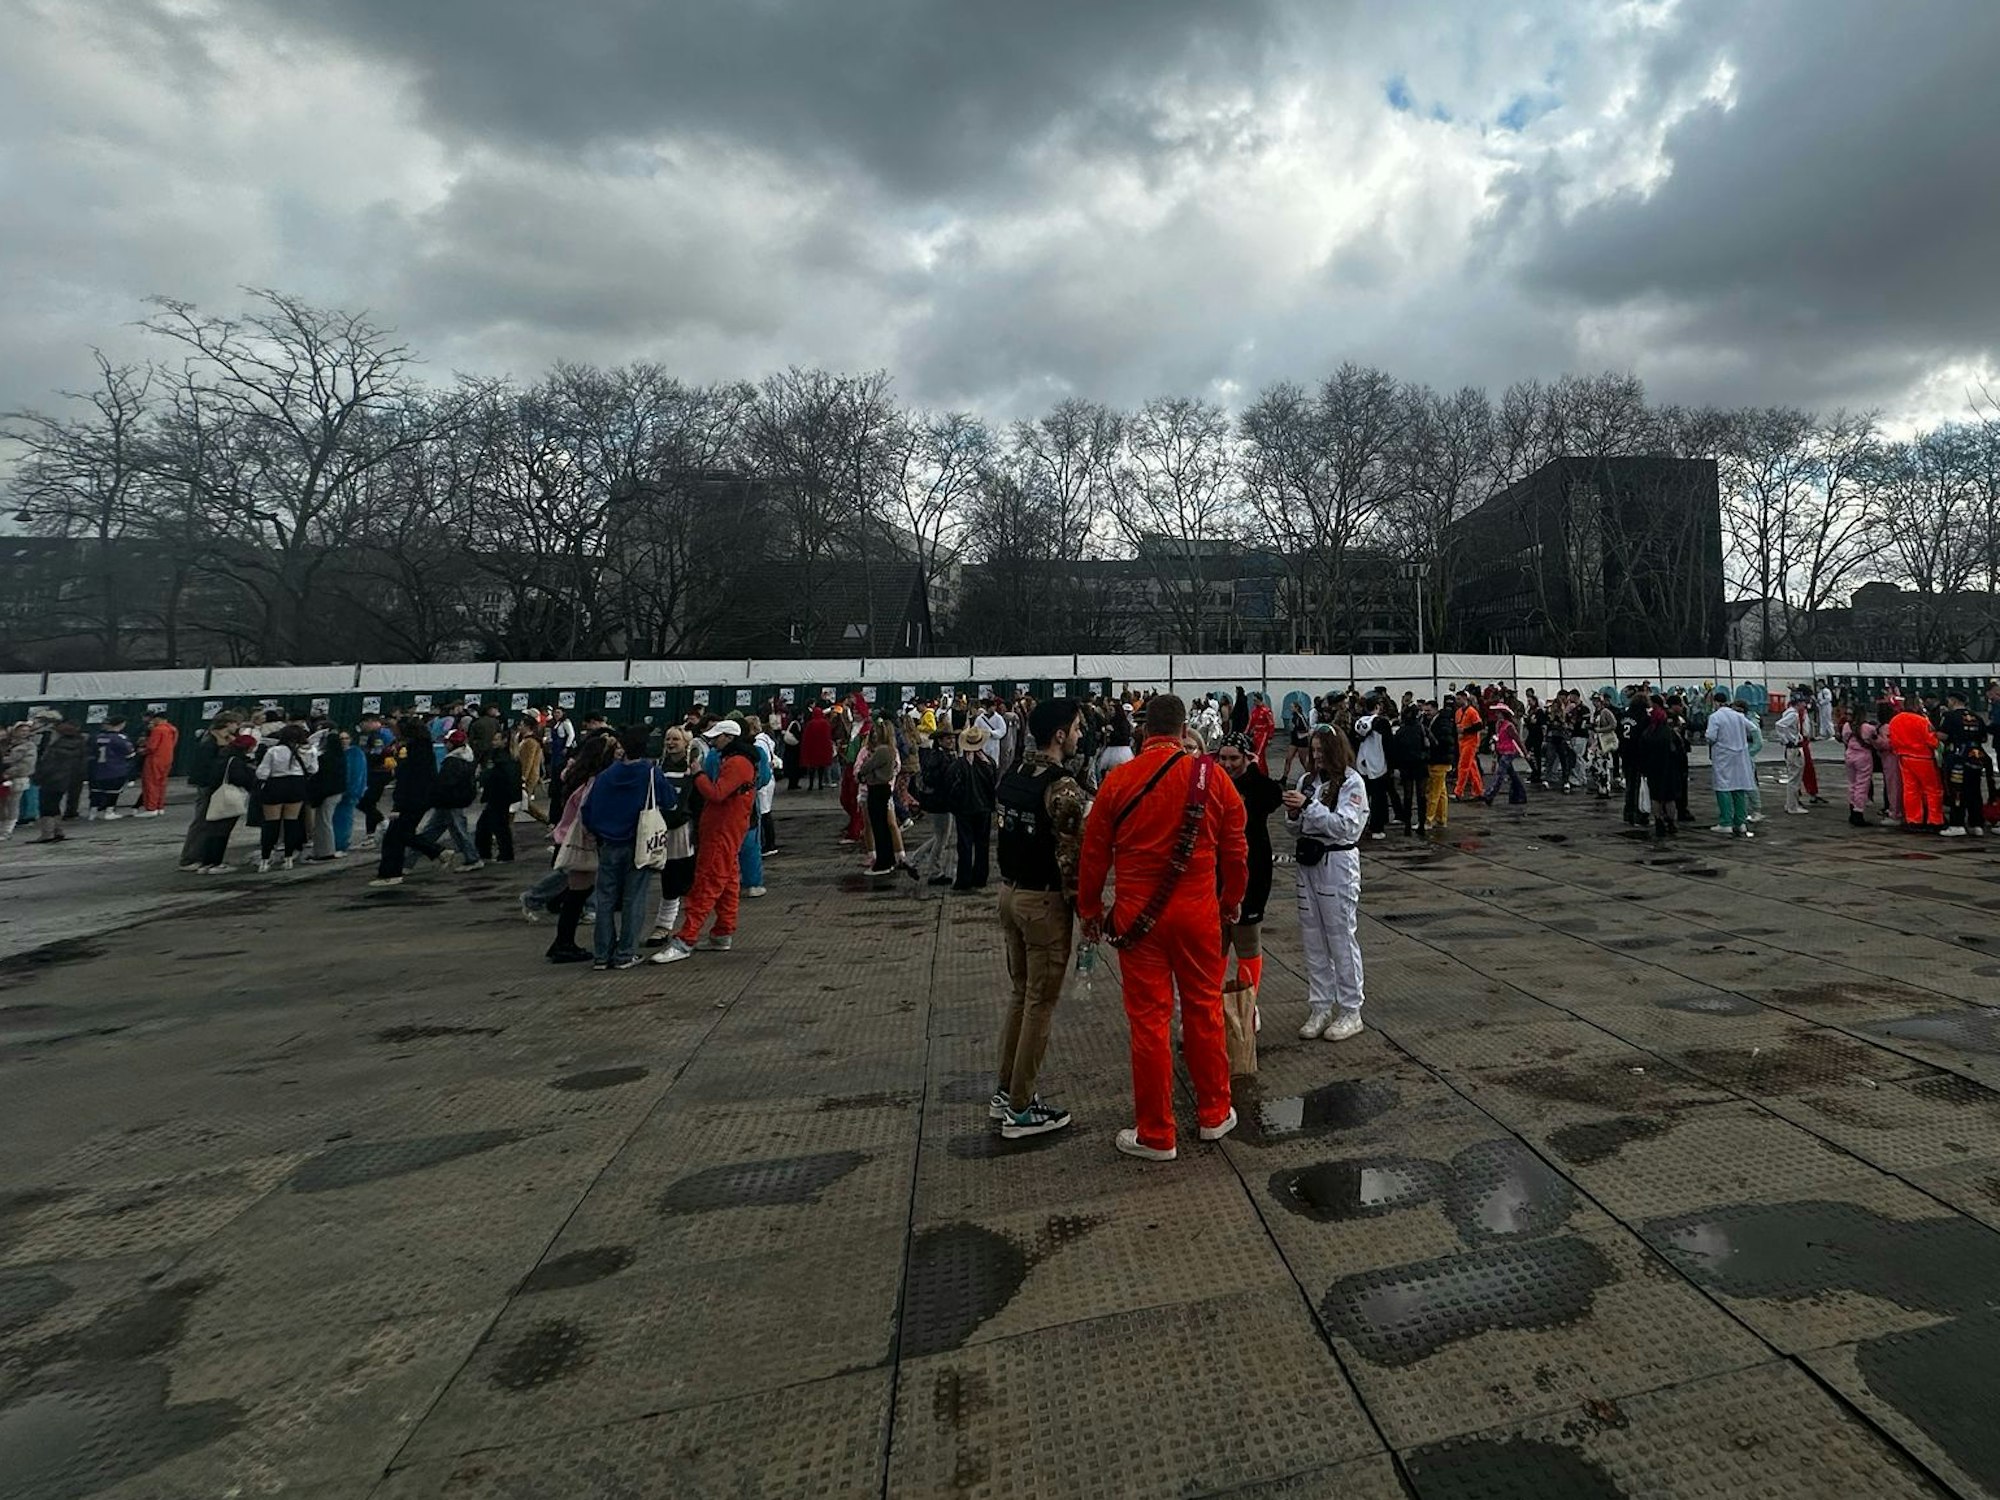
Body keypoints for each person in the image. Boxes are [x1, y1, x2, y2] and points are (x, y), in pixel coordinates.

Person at [1077, 694, 1246, 1162]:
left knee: (1149, 1022)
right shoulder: (1213, 779)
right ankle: (1214, 1112)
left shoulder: (1117, 781)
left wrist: (1090, 910)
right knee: (1203, 1009)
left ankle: (1156, 1133)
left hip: (1138, 917)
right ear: (1182, 728)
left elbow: (1093, 856)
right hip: (1198, 914)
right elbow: (1236, 850)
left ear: (1144, 730)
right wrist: (1230, 901)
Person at [990, 699, 1089, 1140]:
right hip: (1043, 902)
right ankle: (1021, 1107)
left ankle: (1005, 1090)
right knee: (1040, 1004)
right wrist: (1086, 909)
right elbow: (1072, 854)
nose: (1082, 735)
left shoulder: (1013, 773)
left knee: (1019, 995)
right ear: (1060, 735)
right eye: (1077, 728)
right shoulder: (1061, 786)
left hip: (1010, 893)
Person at [1284, 724, 1368, 1040]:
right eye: (1313, 749)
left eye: (1321, 750)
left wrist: (1308, 807)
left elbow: (1345, 826)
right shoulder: (1307, 781)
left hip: (1338, 864)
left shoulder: (1351, 782)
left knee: (1340, 938)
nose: (1316, 755)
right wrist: (1293, 815)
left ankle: (1351, 1010)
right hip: (1309, 864)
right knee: (1313, 938)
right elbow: (1296, 828)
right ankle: (1320, 1006)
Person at [655, 720, 757, 963]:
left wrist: (698, 773)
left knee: (707, 883)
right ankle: (722, 932)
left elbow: (716, 794)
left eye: (717, 737)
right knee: (728, 881)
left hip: (720, 831)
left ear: (729, 738)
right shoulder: (741, 761)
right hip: (728, 829)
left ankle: (685, 939)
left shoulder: (735, 763)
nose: (713, 741)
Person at [580, 727, 677, 970]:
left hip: (609, 845)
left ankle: (602, 955)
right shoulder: (651, 773)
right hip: (639, 845)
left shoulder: (605, 775)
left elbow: (588, 809)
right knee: (634, 899)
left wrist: (598, 832)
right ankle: (625, 953)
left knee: (605, 900)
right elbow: (670, 801)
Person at [1216, 731, 1282, 1009]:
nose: (1228, 764)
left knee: (1247, 940)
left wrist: (1254, 768)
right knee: (1215, 944)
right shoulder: (1212, 783)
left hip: (1253, 870)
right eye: (1223, 758)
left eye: (1234, 758)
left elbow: (1273, 795)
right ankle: (1211, 1002)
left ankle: (1247, 1003)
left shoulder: (1257, 786)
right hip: (1215, 873)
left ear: (1246, 757)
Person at [370, 720, 444, 886]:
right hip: (420, 799)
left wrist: (398, 805)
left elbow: (407, 779)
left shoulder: (412, 751)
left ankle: (391, 873)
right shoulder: (423, 749)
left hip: (411, 800)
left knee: (394, 836)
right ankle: (436, 851)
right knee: (402, 834)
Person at [646, 726, 699, 944]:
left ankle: (668, 925)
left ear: (686, 743)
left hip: (681, 832)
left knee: (678, 878)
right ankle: (663, 925)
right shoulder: (656, 767)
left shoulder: (693, 769)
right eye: (668, 739)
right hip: (658, 828)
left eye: (675, 739)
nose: (670, 742)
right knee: (664, 876)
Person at [188, 732, 261, 872]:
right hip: (229, 797)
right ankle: (216, 863)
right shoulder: (236, 761)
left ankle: (206, 863)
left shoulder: (222, 757)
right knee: (222, 832)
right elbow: (241, 779)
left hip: (215, 794)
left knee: (212, 830)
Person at [253, 723, 316, 872]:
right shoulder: (309, 751)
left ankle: (265, 860)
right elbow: (314, 769)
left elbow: (262, 773)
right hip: (296, 785)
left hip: (275, 785)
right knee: (291, 822)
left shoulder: (273, 751)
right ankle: (288, 859)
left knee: (271, 824)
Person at [417, 731, 483, 869]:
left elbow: (445, 783)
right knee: (432, 831)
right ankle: (406, 862)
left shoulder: (453, 761)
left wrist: (432, 797)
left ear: (452, 744)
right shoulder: (468, 757)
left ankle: (473, 859)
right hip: (455, 801)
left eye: (447, 741)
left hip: (449, 801)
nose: (445, 744)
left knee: (457, 832)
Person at [909, 725, 960, 886]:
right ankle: (934, 871)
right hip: (941, 802)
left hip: (940, 801)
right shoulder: (940, 758)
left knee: (940, 836)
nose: (951, 741)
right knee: (942, 838)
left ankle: (914, 860)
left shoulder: (939, 755)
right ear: (940, 740)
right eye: (948, 738)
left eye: (952, 738)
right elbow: (940, 779)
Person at [951, 723, 998, 891]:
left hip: (964, 809)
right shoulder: (989, 763)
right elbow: (993, 785)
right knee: (982, 844)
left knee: (964, 844)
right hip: (984, 808)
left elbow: (953, 788)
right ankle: (980, 876)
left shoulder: (959, 765)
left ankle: (963, 879)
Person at [859, 716, 907, 878]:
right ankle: (890, 859)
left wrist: (864, 773)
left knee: (879, 827)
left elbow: (865, 768)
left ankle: (883, 862)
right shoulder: (891, 750)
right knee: (884, 826)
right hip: (884, 787)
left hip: (877, 788)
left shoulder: (882, 750)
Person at [1704, 692, 1756, 838]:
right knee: (1739, 788)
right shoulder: (1738, 716)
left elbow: (1711, 736)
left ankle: (1725, 823)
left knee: (1723, 787)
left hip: (1723, 757)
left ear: (1715, 702)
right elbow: (1752, 728)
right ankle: (1740, 822)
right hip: (1740, 756)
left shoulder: (1715, 717)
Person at [1885, 700, 1943, 830]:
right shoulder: (1922, 721)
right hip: (1923, 758)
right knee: (1932, 790)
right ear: (1916, 706)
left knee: (1910, 790)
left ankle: (1913, 820)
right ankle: (1934, 820)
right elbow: (1932, 741)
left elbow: (1891, 740)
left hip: (1904, 758)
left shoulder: (1895, 720)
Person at [1937, 689, 1987, 838]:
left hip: (1958, 758)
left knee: (1957, 790)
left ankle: (1957, 824)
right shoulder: (1977, 717)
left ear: (1952, 701)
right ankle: (1976, 824)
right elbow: (1984, 738)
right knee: (1975, 791)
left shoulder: (1949, 716)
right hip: (1976, 757)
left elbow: (1942, 735)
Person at [305, 723, 351, 861]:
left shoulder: (325, 758)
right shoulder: (340, 756)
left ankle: (326, 852)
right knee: (324, 822)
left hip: (328, 793)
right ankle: (322, 851)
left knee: (324, 823)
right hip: (336, 792)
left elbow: (322, 779)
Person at [476, 738, 523, 862]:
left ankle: (500, 854)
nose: (493, 741)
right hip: (502, 796)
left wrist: (484, 777)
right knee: (495, 825)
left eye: (496, 739)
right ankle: (493, 853)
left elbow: (495, 776)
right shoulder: (510, 758)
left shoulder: (501, 759)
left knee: (496, 826)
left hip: (498, 795)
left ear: (504, 741)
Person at [1636, 705, 1680, 838]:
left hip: (1653, 770)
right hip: (1670, 769)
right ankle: (1671, 823)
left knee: (1656, 798)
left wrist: (1643, 769)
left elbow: (1641, 753)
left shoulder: (1647, 733)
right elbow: (1680, 751)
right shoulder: (1670, 733)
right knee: (1670, 798)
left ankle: (1658, 821)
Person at [1352, 696, 1392, 838]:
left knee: (1362, 797)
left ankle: (1359, 823)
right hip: (1378, 763)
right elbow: (1388, 745)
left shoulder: (1358, 723)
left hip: (1362, 762)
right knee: (1378, 798)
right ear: (1377, 706)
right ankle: (1377, 828)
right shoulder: (1382, 723)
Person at [85, 717, 135, 821]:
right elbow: (129, 754)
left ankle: (92, 813)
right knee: (113, 792)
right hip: (115, 769)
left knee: (96, 791)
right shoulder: (121, 738)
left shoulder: (97, 737)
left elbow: (90, 752)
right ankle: (109, 812)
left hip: (97, 769)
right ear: (121, 724)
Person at [135, 711, 178, 817]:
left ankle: (151, 808)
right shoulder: (173, 729)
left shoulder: (158, 730)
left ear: (158, 719)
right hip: (167, 758)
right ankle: (160, 807)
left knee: (151, 783)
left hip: (154, 759)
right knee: (162, 784)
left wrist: (142, 751)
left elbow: (152, 747)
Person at [1483, 706, 1528, 806]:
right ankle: (1520, 794)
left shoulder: (1509, 726)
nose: (1496, 714)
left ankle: (1490, 794)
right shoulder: (1498, 724)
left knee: (1500, 775)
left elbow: (1518, 740)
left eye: (1498, 713)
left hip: (1508, 752)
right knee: (1512, 775)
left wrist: (1525, 753)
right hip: (1501, 751)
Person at [1776, 694, 1813, 815]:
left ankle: (1791, 804)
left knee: (1793, 777)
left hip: (1791, 748)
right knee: (1795, 779)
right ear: (1798, 703)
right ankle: (1793, 806)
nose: (1805, 705)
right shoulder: (1793, 714)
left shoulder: (1789, 712)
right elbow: (1780, 725)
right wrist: (1789, 739)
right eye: (1803, 702)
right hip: (1794, 748)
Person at [1839, 707, 1876, 828]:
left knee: (1852, 783)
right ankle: (1858, 811)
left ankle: (1852, 807)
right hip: (1863, 756)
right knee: (1862, 784)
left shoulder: (1846, 726)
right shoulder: (1868, 728)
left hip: (1850, 755)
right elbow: (1874, 740)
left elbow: (1844, 739)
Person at [1453, 691, 1485, 800]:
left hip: (1471, 742)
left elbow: (1479, 725)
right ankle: (1478, 791)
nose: (1457, 701)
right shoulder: (1458, 712)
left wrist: (1465, 730)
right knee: (1471, 767)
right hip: (1462, 742)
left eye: (1458, 699)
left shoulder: (1472, 712)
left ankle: (1458, 791)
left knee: (1463, 766)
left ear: (1464, 698)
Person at [798, 704, 835, 791]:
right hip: (822, 749)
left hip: (812, 749)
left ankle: (811, 784)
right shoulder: (825, 723)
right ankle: (820, 784)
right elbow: (828, 736)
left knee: (812, 768)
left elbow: (806, 737)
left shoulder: (810, 724)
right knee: (821, 768)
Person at [1247, 695, 1276, 772]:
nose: (1254, 702)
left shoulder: (1266, 710)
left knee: (1258, 754)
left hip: (1264, 734)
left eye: (1255, 700)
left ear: (1259, 700)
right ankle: (1263, 771)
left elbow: (1271, 724)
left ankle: (1258, 771)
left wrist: (1270, 737)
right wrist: (1246, 733)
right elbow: (1250, 723)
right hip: (1256, 734)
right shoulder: (1254, 711)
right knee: (1257, 753)